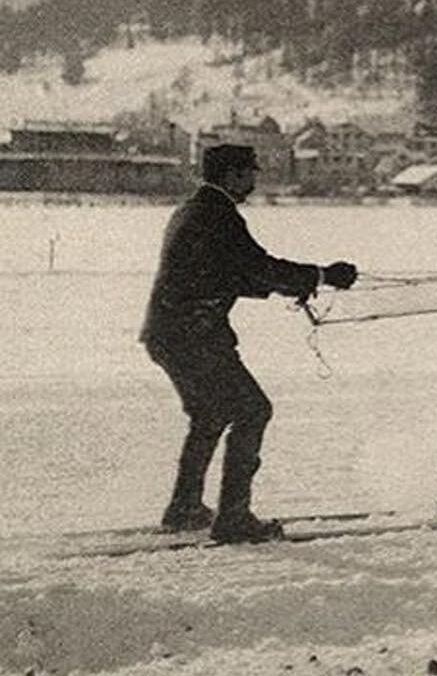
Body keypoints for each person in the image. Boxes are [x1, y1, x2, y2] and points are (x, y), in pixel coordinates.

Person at [140, 143, 358, 544]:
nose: (255, 181)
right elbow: (256, 266)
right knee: (253, 410)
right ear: (232, 175)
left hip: (169, 334)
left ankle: (185, 507)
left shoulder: (192, 210)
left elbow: (231, 272)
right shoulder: (217, 216)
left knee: (210, 415)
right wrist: (321, 275)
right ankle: (234, 519)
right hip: (194, 335)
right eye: (250, 173)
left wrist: (291, 284)